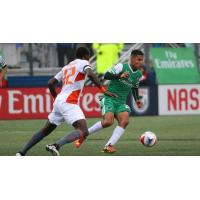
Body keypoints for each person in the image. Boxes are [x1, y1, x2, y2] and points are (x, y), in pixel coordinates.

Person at [16, 47, 116, 156]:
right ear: (86, 56)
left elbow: (50, 83)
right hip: (69, 101)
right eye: (88, 57)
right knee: (83, 130)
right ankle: (56, 145)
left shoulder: (67, 66)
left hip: (59, 100)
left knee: (45, 130)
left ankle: (21, 153)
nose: (89, 60)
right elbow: (90, 74)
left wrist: (55, 98)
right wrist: (103, 90)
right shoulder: (83, 63)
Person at [74, 49, 144, 153]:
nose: (141, 62)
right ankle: (84, 134)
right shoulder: (121, 66)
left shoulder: (138, 74)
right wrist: (119, 75)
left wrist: (137, 99)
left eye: (142, 60)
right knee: (108, 122)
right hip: (109, 98)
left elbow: (134, 87)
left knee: (125, 121)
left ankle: (109, 145)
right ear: (132, 58)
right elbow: (106, 75)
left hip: (121, 102)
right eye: (139, 59)